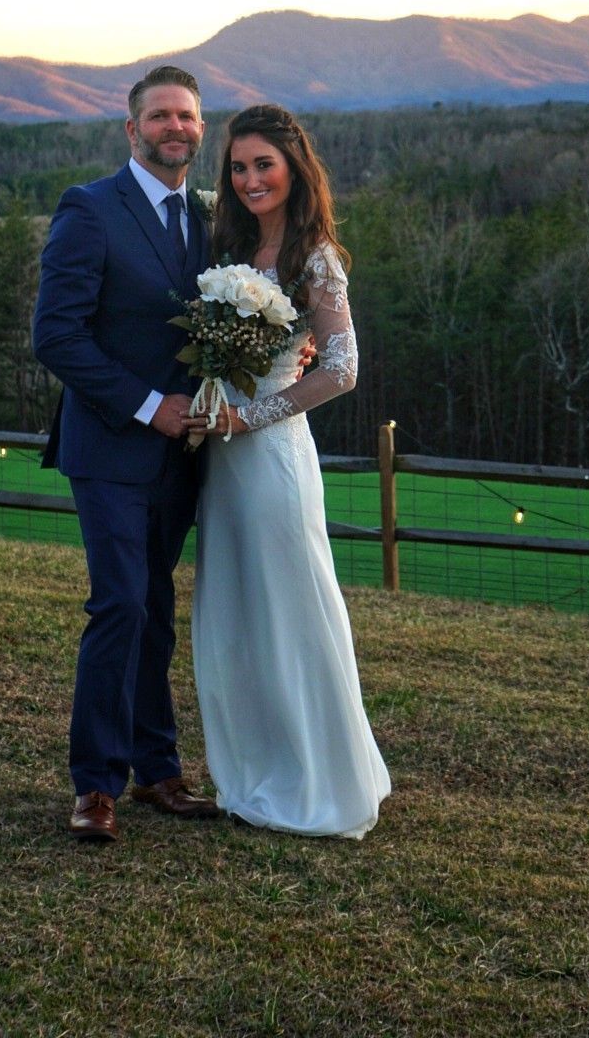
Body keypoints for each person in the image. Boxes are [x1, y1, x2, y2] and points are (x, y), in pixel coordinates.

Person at [185, 104, 391, 838]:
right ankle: (259, 771)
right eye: (238, 167)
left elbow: (342, 369)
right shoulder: (229, 241)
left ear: (294, 167)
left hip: (271, 458)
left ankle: (320, 781)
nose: (249, 180)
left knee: (291, 611)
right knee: (238, 616)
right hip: (223, 464)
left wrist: (253, 416)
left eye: (263, 165)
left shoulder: (314, 256)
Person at [32, 65, 220, 841]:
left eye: (188, 117)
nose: (176, 127)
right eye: (161, 116)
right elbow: (57, 336)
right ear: (131, 128)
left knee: (157, 609)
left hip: (184, 458)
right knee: (119, 604)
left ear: (200, 130)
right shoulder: (90, 209)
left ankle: (159, 771)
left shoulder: (209, 221)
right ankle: (97, 786)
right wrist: (149, 407)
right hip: (110, 447)